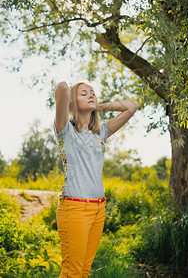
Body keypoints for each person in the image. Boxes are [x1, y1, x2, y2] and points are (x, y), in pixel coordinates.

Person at [54, 80, 138, 278]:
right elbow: (62, 88)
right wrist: (72, 99)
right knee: (72, 272)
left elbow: (132, 106)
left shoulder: (101, 132)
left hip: (99, 208)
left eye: (93, 93)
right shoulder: (66, 130)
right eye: (84, 93)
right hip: (74, 210)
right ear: (73, 102)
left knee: (84, 271)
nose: (91, 95)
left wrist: (97, 106)